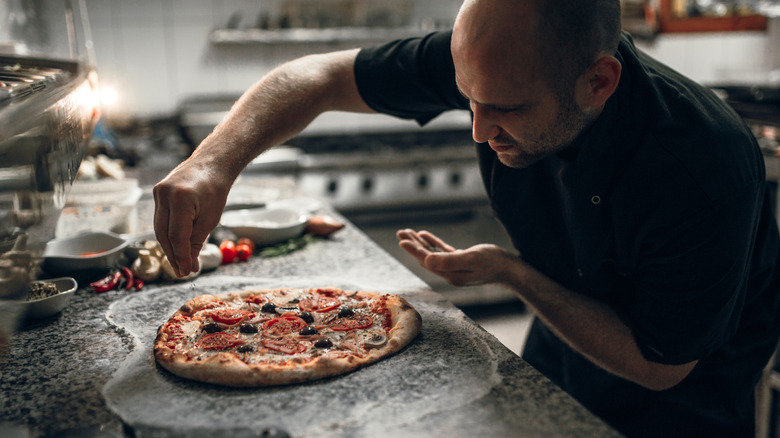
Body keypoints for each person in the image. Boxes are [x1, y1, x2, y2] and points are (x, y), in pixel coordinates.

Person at [153, 0, 780, 436]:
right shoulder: (498, 61)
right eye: (467, 100)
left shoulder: (703, 168)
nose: (478, 130)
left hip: (679, 407)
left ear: (599, 81)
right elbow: (314, 75)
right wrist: (212, 163)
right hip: (561, 353)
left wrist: (514, 274)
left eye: (503, 108)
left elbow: (659, 364)